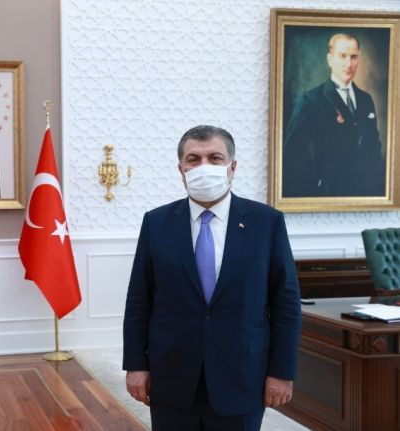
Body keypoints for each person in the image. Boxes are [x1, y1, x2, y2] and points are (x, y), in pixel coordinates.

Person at [123, 125, 301, 430]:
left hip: (243, 377)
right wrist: (136, 364)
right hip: (172, 376)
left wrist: (282, 371)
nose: (203, 166)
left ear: (232, 167)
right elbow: (140, 299)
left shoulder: (266, 222)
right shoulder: (156, 223)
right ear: (181, 169)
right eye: (193, 159)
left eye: (215, 158)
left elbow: (285, 302)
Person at [283, 32, 385, 197]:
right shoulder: (311, 100)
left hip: (363, 193)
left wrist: (371, 180)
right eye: (342, 56)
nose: (349, 64)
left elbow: (374, 144)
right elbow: (293, 152)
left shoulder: (365, 99)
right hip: (327, 193)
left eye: (353, 57)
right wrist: (316, 185)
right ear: (330, 59)